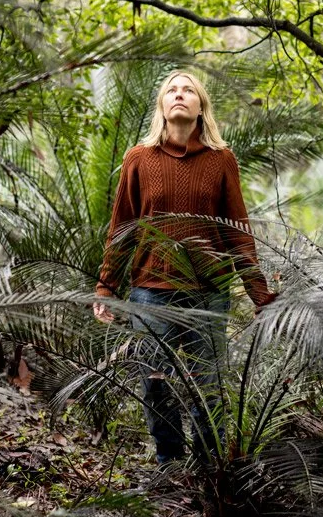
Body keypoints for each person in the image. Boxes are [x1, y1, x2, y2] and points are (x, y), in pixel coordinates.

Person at [92, 71, 275, 465]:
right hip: (150, 292)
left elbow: (237, 231)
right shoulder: (138, 158)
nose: (179, 95)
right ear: (162, 106)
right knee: (154, 384)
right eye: (172, 90)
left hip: (207, 293)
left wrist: (259, 293)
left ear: (201, 107)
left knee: (208, 389)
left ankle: (210, 471)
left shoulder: (221, 160)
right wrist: (106, 285)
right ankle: (169, 466)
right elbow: (122, 226)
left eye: (188, 90)